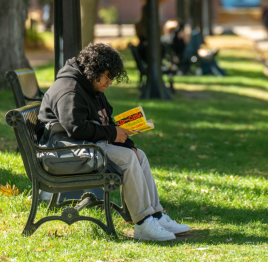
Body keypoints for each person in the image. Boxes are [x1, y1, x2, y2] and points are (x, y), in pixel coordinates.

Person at [38, 43, 189, 241]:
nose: (109, 82)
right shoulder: (71, 90)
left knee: (138, 155)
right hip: (65, 151)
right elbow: (75, 129)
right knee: (127, 159)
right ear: (94, 70)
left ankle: (155, 215)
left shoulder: (90, 86)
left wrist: (126, 142)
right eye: (108, 76)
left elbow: (105, 119)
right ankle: (143, 223)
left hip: (84, 146)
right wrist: (112, 134)